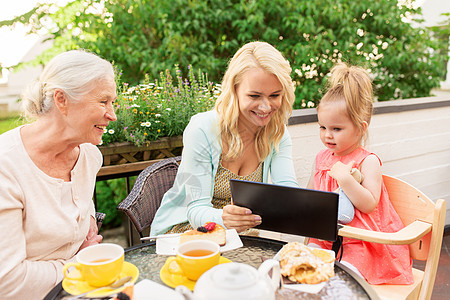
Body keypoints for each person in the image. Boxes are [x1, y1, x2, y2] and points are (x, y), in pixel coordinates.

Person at [0, 50, 117, 299]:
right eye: (103, 101)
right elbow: (7, 281)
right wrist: (79, 264)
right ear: (62, 100)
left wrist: (88, 229)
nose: (112, 115)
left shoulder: (88, 156)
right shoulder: (6, 166)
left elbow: (80, 214)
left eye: (112, 102)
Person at [150, 41, 299, 236]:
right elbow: (195, 209)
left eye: (274, 95)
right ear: (234, 90)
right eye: (254, 96)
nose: (265, 107)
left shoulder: (276, 133)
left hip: (235, 235)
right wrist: (224, 218)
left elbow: (287, 190)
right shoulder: (202, 129)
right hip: (187, 230)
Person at [306, 63, 413, 285]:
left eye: (336, 129)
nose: (328, 135)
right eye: (322, 127)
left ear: (361, 128)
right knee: (305, 266)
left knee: (343, 282)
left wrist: (345, 179)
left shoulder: (368, 161)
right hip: (327, 237)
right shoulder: (321, 158)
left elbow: (369, 203)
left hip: (362, 242)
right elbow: (311, 195)